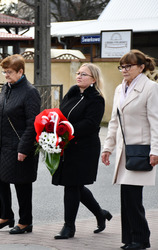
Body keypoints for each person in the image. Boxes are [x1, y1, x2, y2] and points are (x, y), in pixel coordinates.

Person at [101, 49, 158, 250]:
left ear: (141, 67)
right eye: (122, 66)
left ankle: (141, 239)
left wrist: (155, 150)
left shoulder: (151, 88)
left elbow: (155, 121)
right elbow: (114, 121)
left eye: (129, 66)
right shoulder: (119, 89)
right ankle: (130, 239)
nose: (124, 70)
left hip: (141, 150)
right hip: (124, 152)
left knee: (133, 197)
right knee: (126, 197)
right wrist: (107, 148)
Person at [52, 63, 112, 239]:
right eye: (78, 73)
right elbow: (61, 113)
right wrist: (55, 127)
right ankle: (100, 213)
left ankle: (68, 227)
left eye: (84, 74)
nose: (79, 76)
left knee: (72, 185)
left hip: (84, 148)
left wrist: (66, 130)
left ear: (93, 79)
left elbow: (90, 124)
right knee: (75, 185)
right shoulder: (72, 91)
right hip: (67, 145)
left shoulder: (96, 98)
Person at [0, 54, 40, 234]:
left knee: (22, 183)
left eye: (9, 72)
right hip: (3, 144)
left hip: (20, 145)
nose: (6, 75)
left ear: (20, 71)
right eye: (4, 72)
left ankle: (26, 221)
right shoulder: (7, 87)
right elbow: (0, 114)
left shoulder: (30, 91)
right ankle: (6, 216)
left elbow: (33, 123)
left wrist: (24, 148)